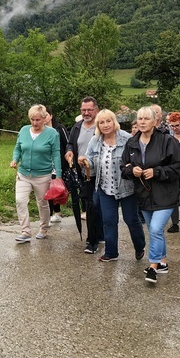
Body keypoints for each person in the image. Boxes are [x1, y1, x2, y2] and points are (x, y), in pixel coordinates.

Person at [121, 107, 180, 284]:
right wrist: (131, 170)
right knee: (154, 231)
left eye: (146, 118)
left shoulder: (167, 141)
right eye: (139, 118)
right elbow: (123, 167)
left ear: (155, 121)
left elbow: (179, 167)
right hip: (143, 195)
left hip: (165, 194)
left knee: (156, 229)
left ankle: (153, 267)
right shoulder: (132, 143)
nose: (142, 122)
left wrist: (157, 172)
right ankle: (162, 262)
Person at [79, 109, 145, 262]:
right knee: (108, 221)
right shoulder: (95, 140)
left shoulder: (127, 139)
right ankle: (111, 252)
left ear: (114, 122)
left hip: (127, 188)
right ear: (98, 125)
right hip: (105, 187)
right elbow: (90, 163)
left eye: (108, 121)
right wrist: (84, 162)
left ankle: (140, 246)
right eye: (101, 122)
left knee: (131, 219)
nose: (105, 125)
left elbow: (137, 159)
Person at [11, 105, 63, 243]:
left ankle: (43, 228)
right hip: (23, 174)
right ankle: (25, 231)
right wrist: (15, 159)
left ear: (45, 118)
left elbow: (56, 155)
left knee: (42, 203)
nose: (35, 123)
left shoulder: (52, 133)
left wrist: (58, 175)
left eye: (38, 120)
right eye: (32, 119)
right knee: (20, 201)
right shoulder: (23, 130)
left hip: (43, 175)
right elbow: (18, 148)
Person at [65, 97, 103, 254]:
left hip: (101, 174)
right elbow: (71, 143)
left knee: (98, 206)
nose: (86, 113)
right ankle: (91, 241)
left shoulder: (102, 126)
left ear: (96, 110)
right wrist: (69, 151)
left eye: (89, 110)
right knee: (90, 205)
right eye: (83, 110)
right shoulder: (77, 126)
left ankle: (99, 235)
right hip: (84, 175)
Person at [44, 106, 69, 224]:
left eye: (46, 115)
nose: (44, 118)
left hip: (60, 164)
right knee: (48, 189)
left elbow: (68, 144)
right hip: (46, 165)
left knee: (57, 188)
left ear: (51, 116)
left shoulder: (60, 128)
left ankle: (58, 213)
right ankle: (51, 215)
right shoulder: (40, 129)